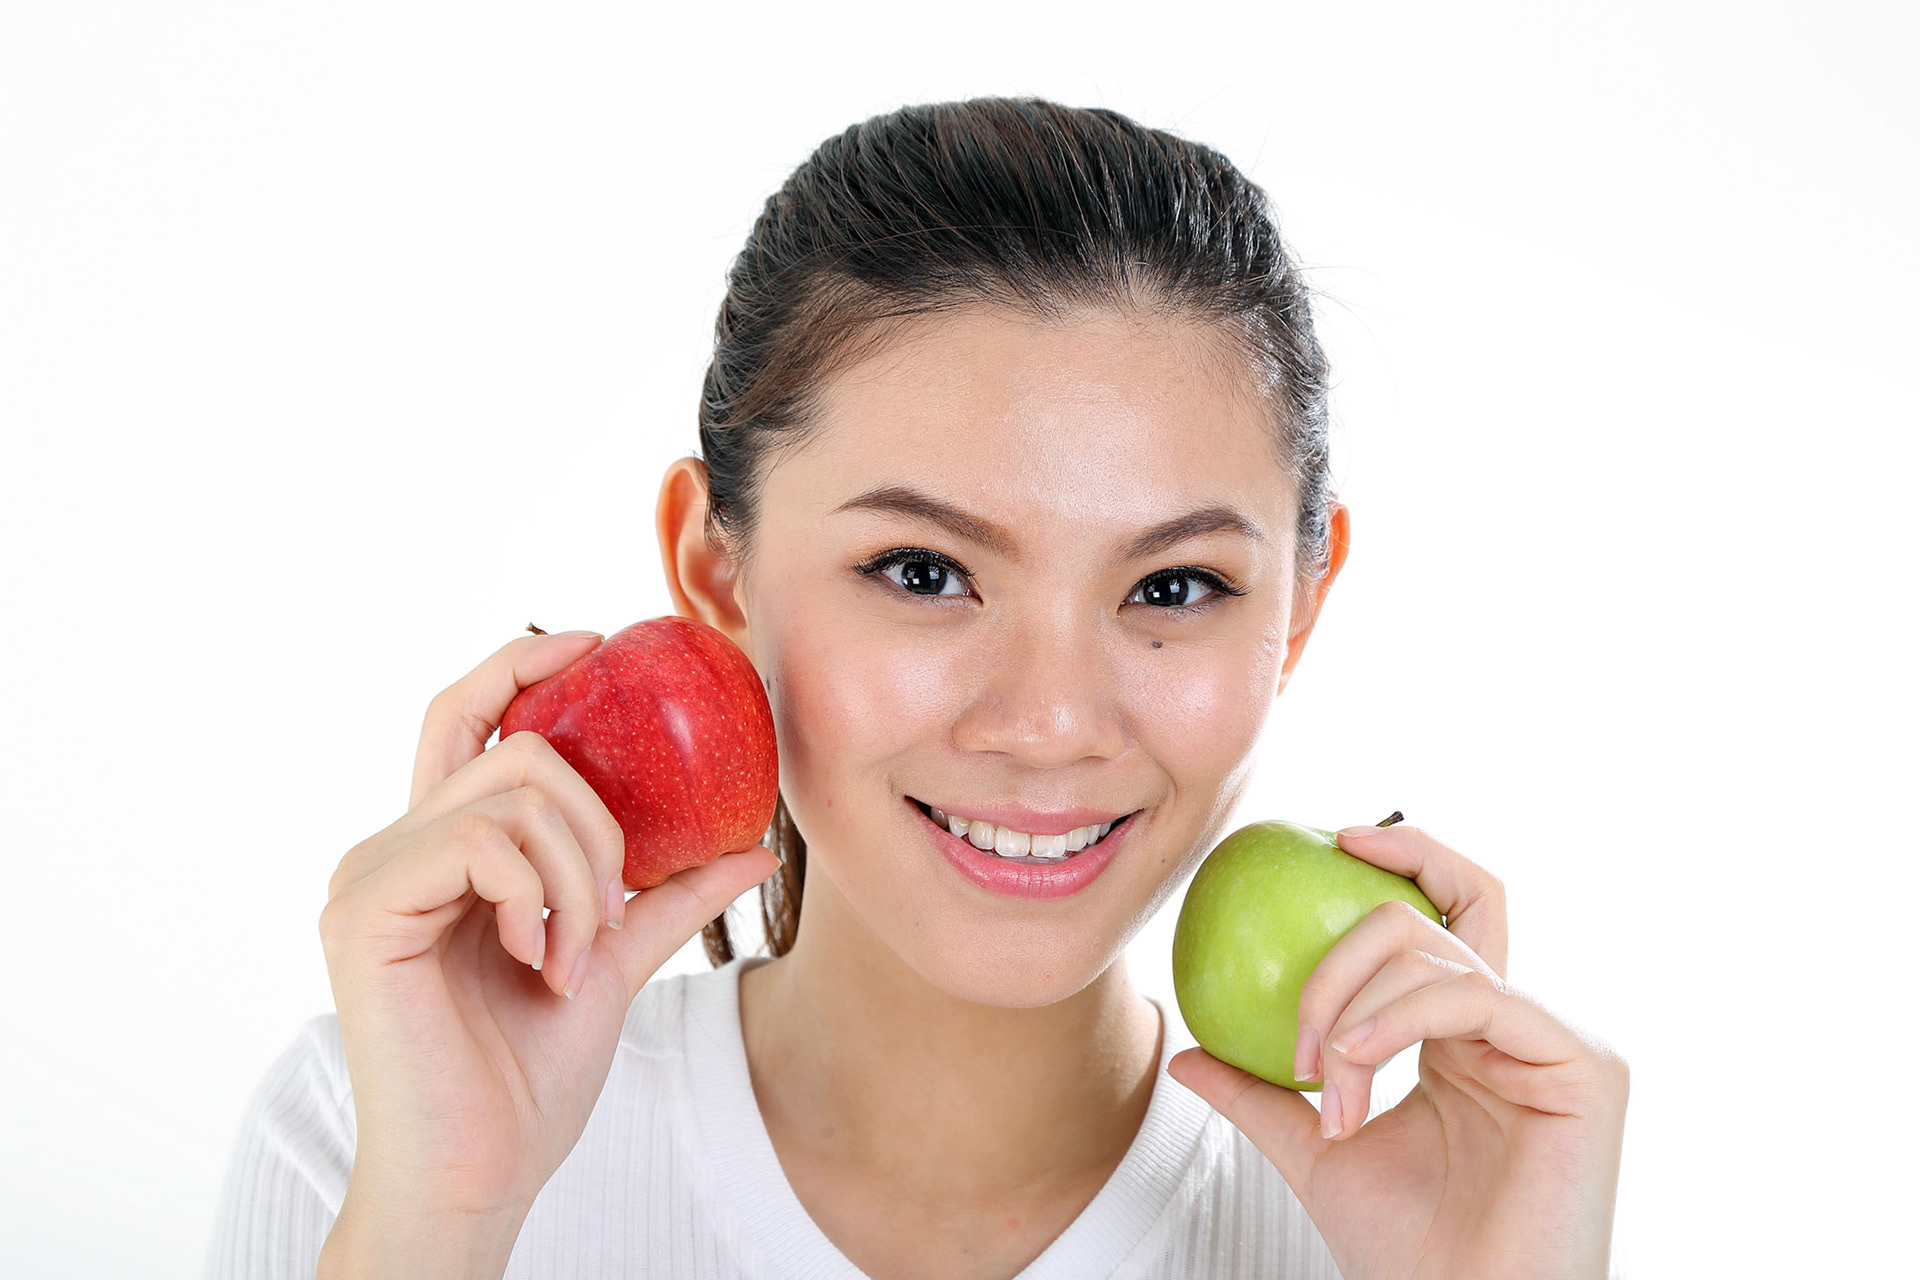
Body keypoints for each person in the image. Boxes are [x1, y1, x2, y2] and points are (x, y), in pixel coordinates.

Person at [205, 97, 1628, 1279]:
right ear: (717, 575)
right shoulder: (373, 1136)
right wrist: (444, 1218)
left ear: (1302, 603)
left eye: (1174, 588)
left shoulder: (1432, 1217)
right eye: (926, 572)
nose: (1052, 718)